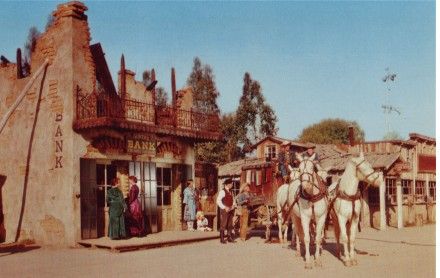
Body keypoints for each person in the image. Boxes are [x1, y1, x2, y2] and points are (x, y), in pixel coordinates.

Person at [216, 178, 236, 244]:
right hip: (225, 210)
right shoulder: (222, 191)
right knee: (223, 224)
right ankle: (222, 239)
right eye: (231, 184)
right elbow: (218, 201)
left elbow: (233, 199)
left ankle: (229, 237)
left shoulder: (231, 191)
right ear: (227, 184)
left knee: (230, 224)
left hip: (231, 209)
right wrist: (224, 207)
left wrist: (233, 205)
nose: (232, 185)